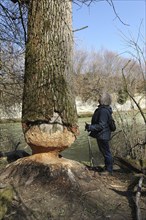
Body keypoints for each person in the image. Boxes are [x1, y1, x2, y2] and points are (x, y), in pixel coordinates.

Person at [85, 92, 113, 176]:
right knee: (105, 152)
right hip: (102, 134)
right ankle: (107, 167)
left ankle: (109, 170)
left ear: (103, 100)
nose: (98, 99)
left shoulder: (103, 111)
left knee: (106, 153)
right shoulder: (105, 109)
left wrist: (90, 127)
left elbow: (101, 125)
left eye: (100, 97)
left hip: (103, 135)